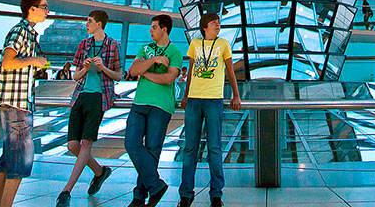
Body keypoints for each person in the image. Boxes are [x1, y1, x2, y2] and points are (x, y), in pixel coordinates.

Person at [0, 0, 51, 207]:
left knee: (8, 159)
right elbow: (7, 62)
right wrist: (34, 60)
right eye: (43, 7)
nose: (47, 11)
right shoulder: (21, 31)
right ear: (31, 9)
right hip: (17, 103)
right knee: (20, 158)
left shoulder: (29, 33)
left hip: (15, 102)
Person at [56, 10, 121, 206]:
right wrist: (85, 68)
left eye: (90, 21)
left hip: (99, 97)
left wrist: (103, 68)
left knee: (86, 143)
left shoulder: (113, 45)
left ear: (100, 24)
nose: (87, 24)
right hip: (80, 96)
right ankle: (100, 172)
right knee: (72, 145)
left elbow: (118, 75)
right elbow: (76, 76)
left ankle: (66, 191)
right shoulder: (84, 44)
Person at [178, 12, 242, 207]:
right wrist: (186, 95)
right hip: (195, 100)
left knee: (214, 148)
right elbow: (190, 72)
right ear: (204, 26)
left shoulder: (223, 44)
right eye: (214, 23)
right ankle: (186, 195)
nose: (218, 26)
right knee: (190, 148)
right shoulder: (195, 44)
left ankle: (216, 194)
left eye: (219, 23)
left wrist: (236, 95)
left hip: (214, 99)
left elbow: (230, 70)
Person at [125, 15, 182, 207]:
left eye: (154, 27)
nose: (151, 31)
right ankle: (156, 185)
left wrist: (144, 70)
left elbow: (168, 79)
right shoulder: (145, 48)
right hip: (139, 103)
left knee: (152, 150)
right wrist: (155, 60)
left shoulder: (175, 52)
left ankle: (139, 197)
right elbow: (132, 71)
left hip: (161, 105)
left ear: (164, 29)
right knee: (131, 143)